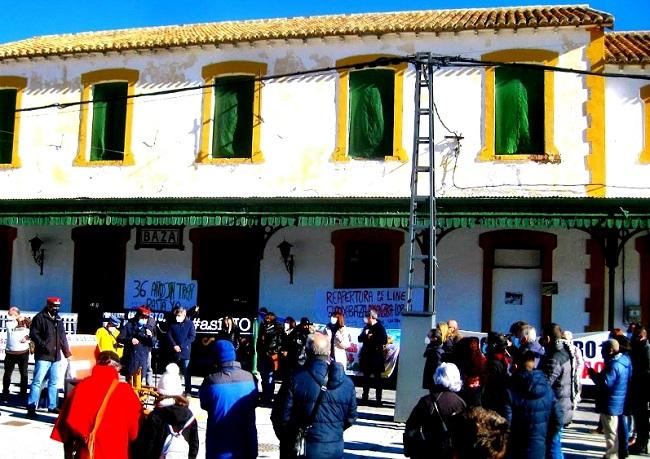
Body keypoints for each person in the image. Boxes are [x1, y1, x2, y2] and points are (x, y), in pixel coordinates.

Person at [272, 333, 357, 459]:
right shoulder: (347, 383)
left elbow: (280, 417)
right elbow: (351, 417)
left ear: (306, 351)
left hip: (304, 449)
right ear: (329, 351)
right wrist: (332, 432)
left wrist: (290, 439)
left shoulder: (295, 379)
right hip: (334, 449)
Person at [51, 351, 143, 459]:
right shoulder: (126, 392)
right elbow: (135, 433)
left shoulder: (80, 388)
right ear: (117, 368)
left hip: (87, 453)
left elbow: (64, 430)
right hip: (117, 453)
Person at [200, 340, 258, 459]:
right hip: (246, 441)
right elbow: (255, 401)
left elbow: (204, 404)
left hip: (219, 444)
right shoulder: (250, 378)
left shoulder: (211, 380)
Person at [503, 350, 562, 459]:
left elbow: (506, 423)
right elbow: (558, 418)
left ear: (515, 365)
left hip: (515, 448)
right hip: (539, 446)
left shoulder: (510, 389)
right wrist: (546, 438)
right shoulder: (547, 387)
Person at [404, 362, 466, 459]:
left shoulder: (426, 401)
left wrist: (411, 451)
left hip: (429, 451)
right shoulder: (460, 403)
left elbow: (411, 426)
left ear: (437, 377)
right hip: (452, 452)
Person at [136, 363, 199, 459]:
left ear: (160, 392)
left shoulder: (155, 416)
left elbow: (147, 448)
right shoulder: (189, 416)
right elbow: (194, 446)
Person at [27, 296, 72, 417]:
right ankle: (31, 405)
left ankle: (52, 406)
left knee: (53, 382)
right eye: (54, 306)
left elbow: (63, 337)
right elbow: (33, 334)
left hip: (56, 356)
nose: (56, 308)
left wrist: (66, 353)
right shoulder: (40, 318)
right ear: (48, 305)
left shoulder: (58, 319)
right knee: (37, 381)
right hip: (43, 355)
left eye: (58, 306)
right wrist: (43, 345)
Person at [589, 339, 632, 459]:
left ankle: (611, 457)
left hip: (610, 403)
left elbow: (604, 384)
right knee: (616, 432)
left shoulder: (613, 365)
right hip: (618, 401)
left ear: (611, 350)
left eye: (603, 349)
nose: (601, 351)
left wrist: (593, 374)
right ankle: (617, 453)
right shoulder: (625, 361)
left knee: (611, 434)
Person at [538, 322, 574, 458]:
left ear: (547, 338)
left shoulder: (554, 358)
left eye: (542, 336)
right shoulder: (564, 352)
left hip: (555, 407)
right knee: (554, 443)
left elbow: (545, 383)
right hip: (561, 404)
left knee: (553, 445)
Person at [118, 306, 155, 389]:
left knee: (139, 382)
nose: (144, 319)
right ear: (138, 315)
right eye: (143, 316)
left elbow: (152, 344)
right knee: (130, 382)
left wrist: (150, 336)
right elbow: (120, 338)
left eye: (146, 317)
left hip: (142, 358)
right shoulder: (129, 325)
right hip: (131, 357)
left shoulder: (148, 327)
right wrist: (130, 340)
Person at [358, 309, 388, 406]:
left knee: (377, 380)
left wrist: (372, 337)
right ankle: (364, 397)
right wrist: (365, 335)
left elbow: (384, 340)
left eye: (367, 316)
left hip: (376, 357)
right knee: (365, 379)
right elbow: (359, 338)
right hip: (366, 357)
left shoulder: (379, 327)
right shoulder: (367, 327)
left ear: (371, 317)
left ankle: (378, 400)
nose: (366, 319)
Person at [165, 306, 196, 396]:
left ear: (184, 314)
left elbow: (192, 336)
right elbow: (169, 335)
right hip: (174, 351)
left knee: (186, 372)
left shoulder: (189, 323)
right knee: (173, 371)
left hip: (185, 352)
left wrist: (181, 346)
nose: (177, 317)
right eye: (176, 315)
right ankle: (173, 389)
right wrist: (174, 345)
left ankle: (188, 390)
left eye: (179, 315)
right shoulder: (172, 323)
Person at [2, 307, 31, 402]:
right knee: (7, 373)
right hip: (10, 352)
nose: (9, 316)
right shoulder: (9, 323)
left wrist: (28, 338)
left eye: (11, 314)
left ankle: (23, 393)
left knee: (24, 373)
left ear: (17, 314)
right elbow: (16, 325)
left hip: (23, 352)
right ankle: (5, 391)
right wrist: (20, 319)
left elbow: (34, 329)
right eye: (9, 314)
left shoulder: (26, 321)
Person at [629, 326, 650, 454]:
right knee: (639, 419)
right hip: (638, 388)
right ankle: (640, 443)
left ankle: (642, 445)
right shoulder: (639, 347)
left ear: (641, 336)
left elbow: (647, 372)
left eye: (636, 335)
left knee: (642, 420)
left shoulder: (645, 349)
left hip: (642, 389)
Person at [482, 332, 511, 416]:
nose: (486, 346)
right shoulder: (504, 359)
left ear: (493, 345)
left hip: (493, 401)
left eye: (488, 343)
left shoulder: (493, 363)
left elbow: (490, 385)